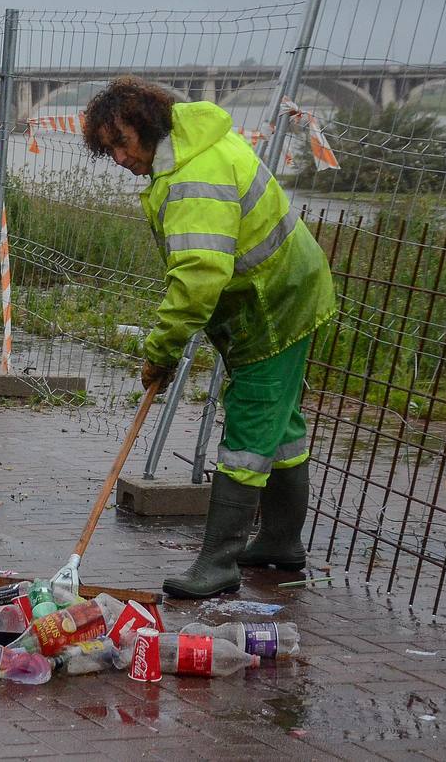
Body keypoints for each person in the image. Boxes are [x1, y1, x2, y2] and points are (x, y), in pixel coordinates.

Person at [81, 77, 336, 599]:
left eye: (121, 143)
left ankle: (219, 563)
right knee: (281, 427)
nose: (119, 158)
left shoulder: (196, 175)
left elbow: (199, 274)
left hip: (275, 302)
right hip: (279, 293)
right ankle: (281, 544)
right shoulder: (189, 148)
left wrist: (161, 349)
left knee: (251, 426)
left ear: (148, 126)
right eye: (108, 150)